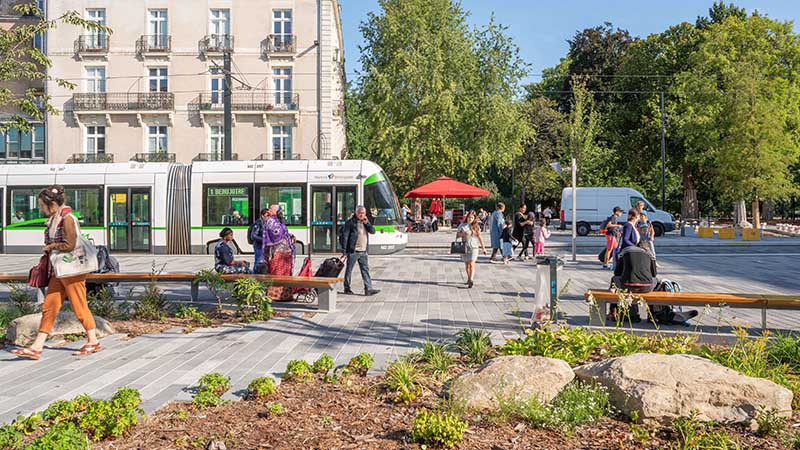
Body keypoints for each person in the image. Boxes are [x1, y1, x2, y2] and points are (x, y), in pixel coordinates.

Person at [11, 186, 101, 360]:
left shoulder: (67, 219)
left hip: (72, 271)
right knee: (49, 306)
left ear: (51, 204)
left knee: (79, 305)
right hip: (60, 271)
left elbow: (69, 245)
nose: (40, 208)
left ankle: (93, 340)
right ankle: (37, 346)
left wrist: (50, 247)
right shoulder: (55, 218)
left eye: (41, 205)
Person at [609, 240, 658, 322]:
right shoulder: (650, 254)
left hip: (627, 286)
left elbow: (617, 272)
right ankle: (653, 314)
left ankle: (613, 311)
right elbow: (654, 274)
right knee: (657, 281)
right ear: (647, 248)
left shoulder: (626, 251)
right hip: (646, 287)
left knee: (614, 279)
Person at [341, 205, 380, 296]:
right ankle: (347, 288)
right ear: (356, 213)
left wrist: (367, 223)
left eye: (363, 213)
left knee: (365, 270)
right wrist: (344, 251)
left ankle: (368, 289)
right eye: (360, 213)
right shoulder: (350, 223)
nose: (362, 215)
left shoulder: (365, 222)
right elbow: (345, 237)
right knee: (349, 270)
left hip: (363, 251)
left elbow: (373, 231)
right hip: (353, 251)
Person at [262, 205, 295, 301]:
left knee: (285, 273)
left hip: (285, 252)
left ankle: (286, 295)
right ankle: (275, 295)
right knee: (277, 273)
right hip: (278, 252)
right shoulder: (271, 221)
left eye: (271, 209)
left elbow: (283, 232)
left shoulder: (277, 221)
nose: (269, 210)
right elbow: (277, 234)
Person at [457, 210, 487, 288]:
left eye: (472, 217)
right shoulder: (462, 225)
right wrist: (463, 233)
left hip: (474, 247)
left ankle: (471, 279)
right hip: (465, 247)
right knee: (467, 265)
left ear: (474, 218)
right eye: (469, 217)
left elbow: (480, 237)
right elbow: (457, 235)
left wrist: (483, 248)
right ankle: (468, 277)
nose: (470, 219)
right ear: (467, 217)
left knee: (472, 264)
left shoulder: (476, 226)